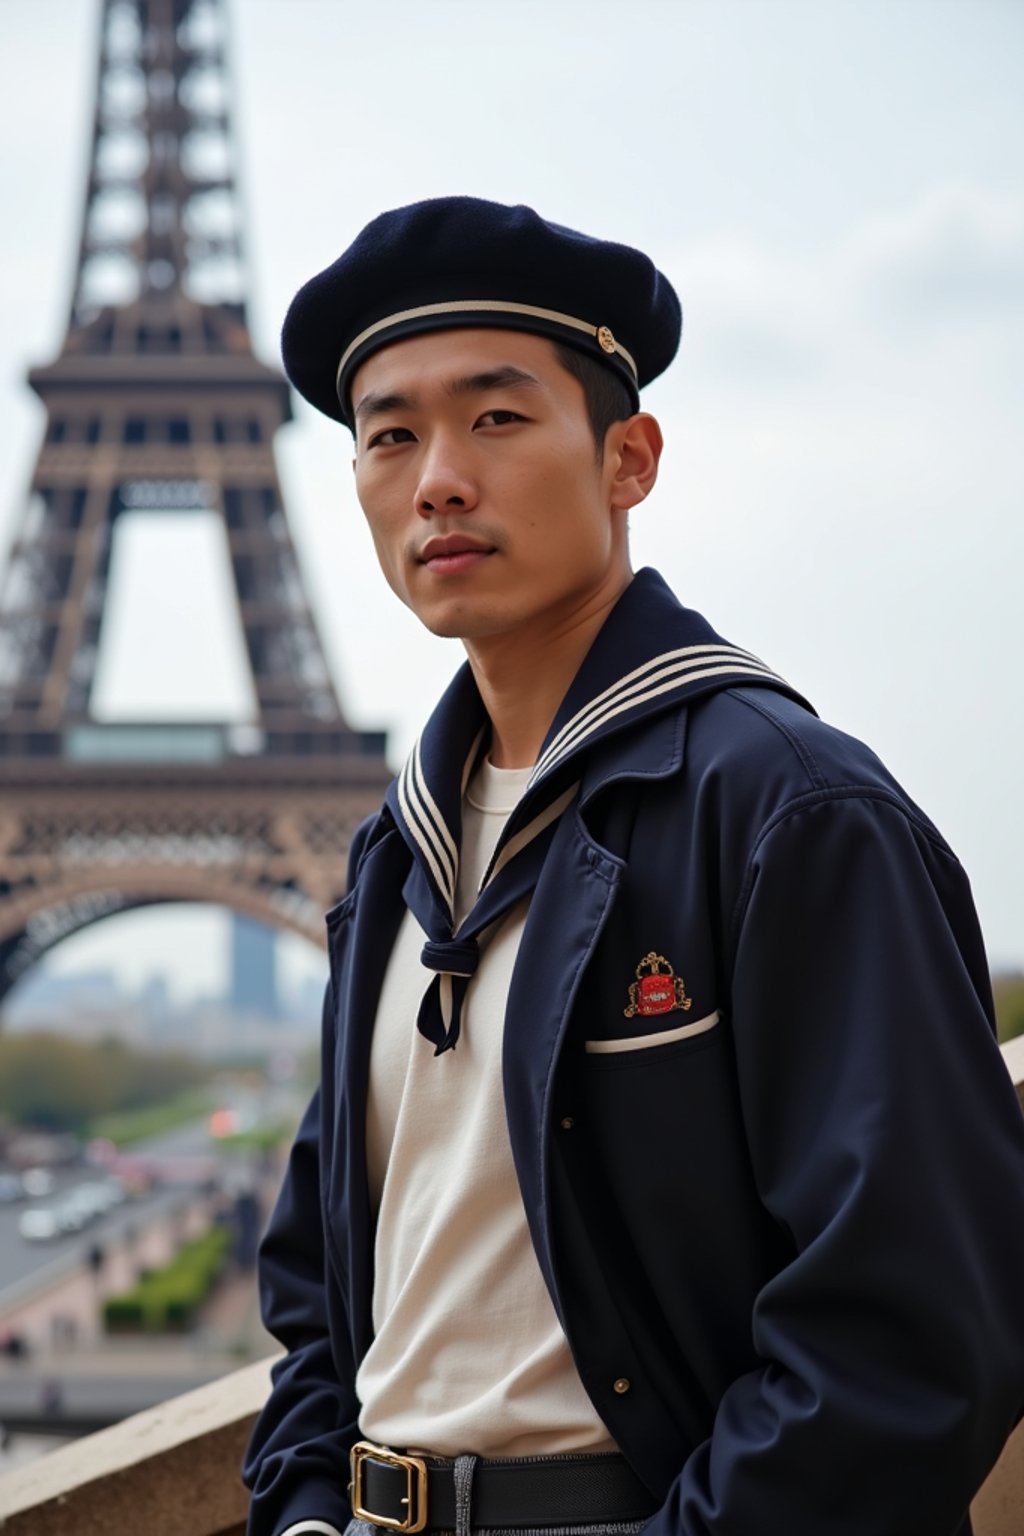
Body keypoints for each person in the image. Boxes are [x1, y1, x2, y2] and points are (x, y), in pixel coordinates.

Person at [243, 197, 1024, 1536]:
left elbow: (913, 1331)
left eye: (495, 417)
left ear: (630, 459)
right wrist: (311, 1507)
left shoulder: (789, 810)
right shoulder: (392, 855)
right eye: (390, 435)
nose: (436, 477)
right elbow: (325, 1283)